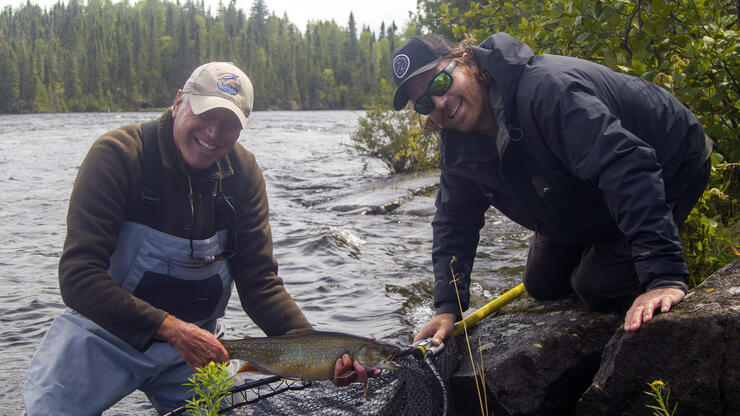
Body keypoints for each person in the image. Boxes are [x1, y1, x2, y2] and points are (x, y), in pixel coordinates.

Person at [23, 62, 374, 415]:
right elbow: (77, 278)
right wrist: (170, 328)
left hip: (199, 350)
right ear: (179, 102)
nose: (213, 133)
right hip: (104, 334)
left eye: (230, 125)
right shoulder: (119, 155)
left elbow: (260, 284)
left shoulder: (244, 175)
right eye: (206, 114)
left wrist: (321, 351)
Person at [390, 34, 713, 346]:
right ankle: (610, 236)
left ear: (468, 61)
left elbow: (625, 167)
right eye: (423, 102)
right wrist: (447, 308)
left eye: (440, 83)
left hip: (670, 160)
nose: (439, 102)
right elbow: (454, 222)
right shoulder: (458, 143)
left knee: (596, 287)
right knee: (542, 285)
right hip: (580, 188)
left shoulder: (546, 90)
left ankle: (648, 245)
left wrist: (662, 277)